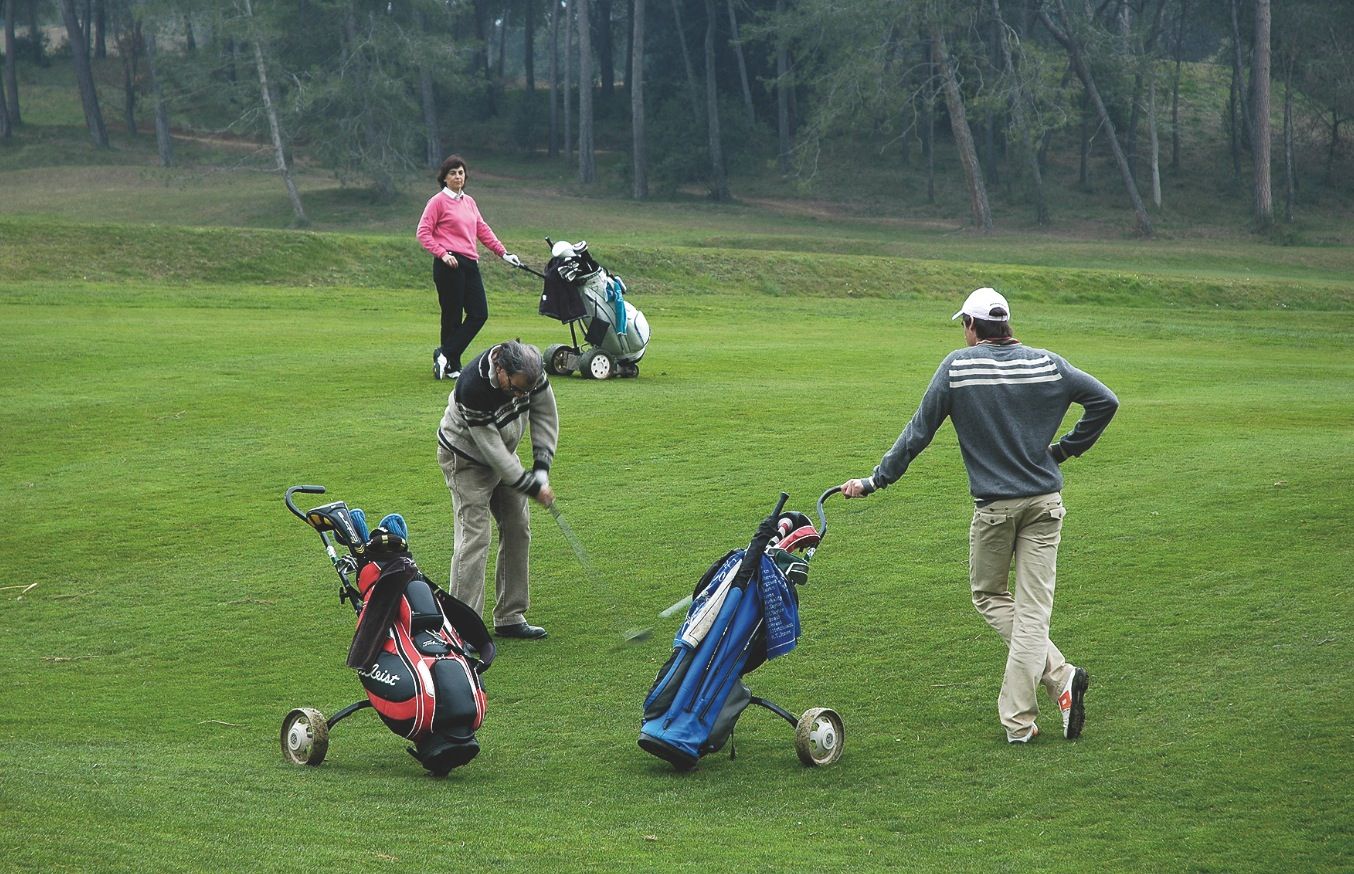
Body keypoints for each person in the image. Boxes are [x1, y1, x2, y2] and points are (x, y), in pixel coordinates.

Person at [840, 287, 1118, 744]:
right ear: (1006, 325)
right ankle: (1060, 679)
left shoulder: (958, 366)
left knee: (991, 596)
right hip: (1046, 504)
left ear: (972, 327)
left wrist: (876, 481)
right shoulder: (1047, 362)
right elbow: (1105, 401)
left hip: (994, 510)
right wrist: (1065, 450)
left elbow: (918, 433)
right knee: (1032, 610)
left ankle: (1020, 720)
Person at [436, 340, 558, 640]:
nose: (520, 397)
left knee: (518, 526)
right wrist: (529, 485)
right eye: (515, 390)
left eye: (525, 392)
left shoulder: (532, 372)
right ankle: (463, 629)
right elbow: (492, 450)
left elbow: (545, 415)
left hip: (503, 452)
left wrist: (541, 470)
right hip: (465, 458)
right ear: (500, 369)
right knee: (475, 537)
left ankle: (510, 616)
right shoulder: (472, 386)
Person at [417, 154, 523, 381]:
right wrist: (442, 254)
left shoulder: (469, 202)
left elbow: (482, 230)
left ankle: (444, 354)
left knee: (479, 313)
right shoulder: (437, 202)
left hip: (469, 262)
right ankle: (452, 366)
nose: (457, 176)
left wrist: (503, 253)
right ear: (444, 178)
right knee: (452, 316)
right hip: (449, 264)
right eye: (452, 173)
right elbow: (423, 232)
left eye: (461, 172)